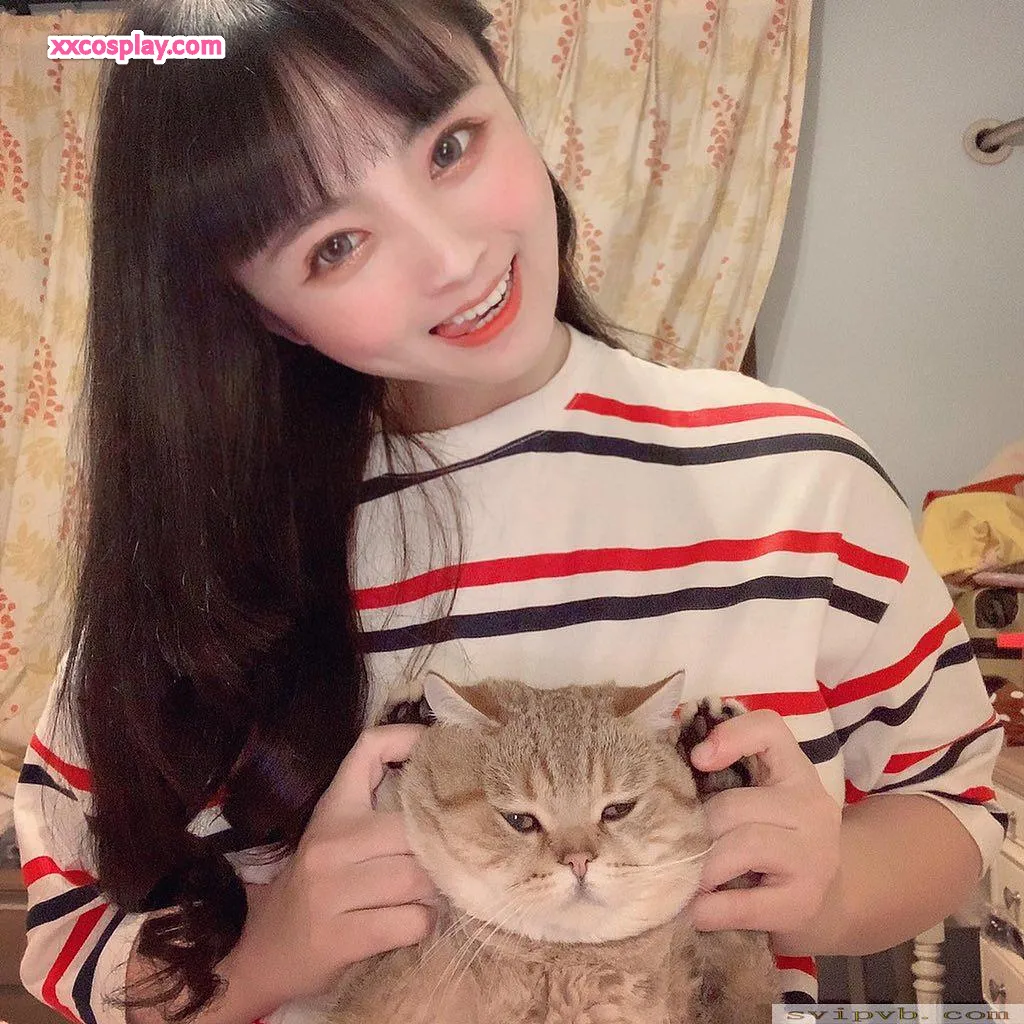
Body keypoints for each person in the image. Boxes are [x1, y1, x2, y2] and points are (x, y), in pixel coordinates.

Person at [13, 1, 1006, 1022]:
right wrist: (274, 948)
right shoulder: (202, 569)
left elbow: (956, 805)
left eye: (450, 145)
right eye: (336, 243)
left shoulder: (798, 476)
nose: (451, 256)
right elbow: (71, 940)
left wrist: (832, 886)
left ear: (504, 85)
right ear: (258, 307)